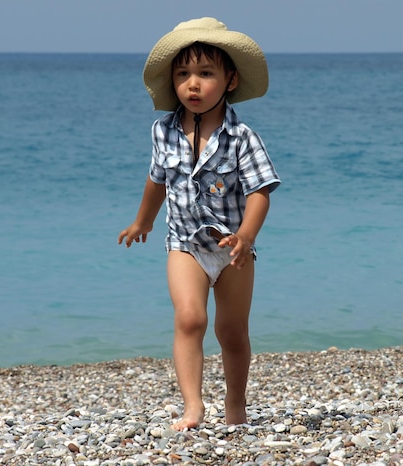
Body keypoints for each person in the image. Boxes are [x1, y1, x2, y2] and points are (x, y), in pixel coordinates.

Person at [118, 17, 280, 431]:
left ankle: (236, 403)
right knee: (190, 319)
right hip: (184, 244)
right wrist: (142, 222)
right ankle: (193, 406)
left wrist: (246, 235)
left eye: (205, 74)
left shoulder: (242, 136)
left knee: (231, 332)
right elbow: (157, 180)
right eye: (183, 74)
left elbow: (261, 190)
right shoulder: (162, 132)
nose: (192, 84)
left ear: (229, 81)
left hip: (232, 250)